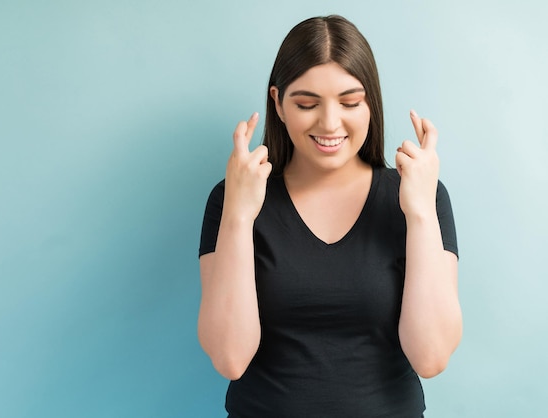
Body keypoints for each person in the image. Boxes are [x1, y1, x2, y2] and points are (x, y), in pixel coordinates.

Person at [197, 15, 462, 417]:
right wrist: (238, 216)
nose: (330, 122)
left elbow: (431, 357)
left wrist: (421, 213)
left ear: (371, 103)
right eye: (307, 104)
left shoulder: (421, 197)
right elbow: (230, 358)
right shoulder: (230, 200)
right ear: (278, 104)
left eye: (350, 102)